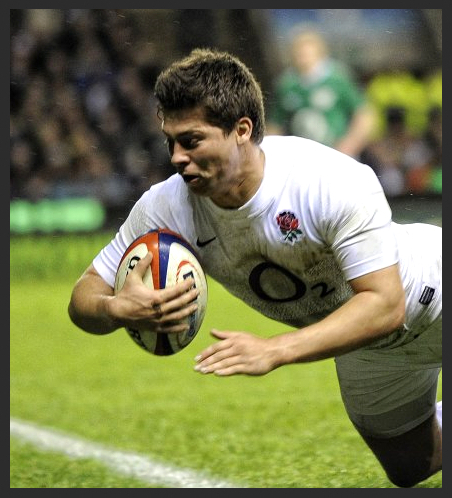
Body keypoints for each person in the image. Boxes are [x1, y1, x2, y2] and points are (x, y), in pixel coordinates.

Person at [68, 48, 442, 488]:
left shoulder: (327, 180)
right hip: (365, 345)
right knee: (410, 467)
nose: (176, 157)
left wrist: (275, 349)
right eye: (170, 142)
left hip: (431, 293)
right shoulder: (167, 206)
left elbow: (385, 304)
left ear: (241, 130)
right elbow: (84, 295)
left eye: (191, 140)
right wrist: (114, 308)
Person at [266, 27, 376, 159]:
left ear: (320, 54)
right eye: (298, 54)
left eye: (307, 54)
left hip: (336, 154)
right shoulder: (287, 84)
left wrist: (349, 145)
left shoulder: (338, 78)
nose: (303, 58)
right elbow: (275, 124)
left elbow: (364, 114)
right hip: (302, 157)